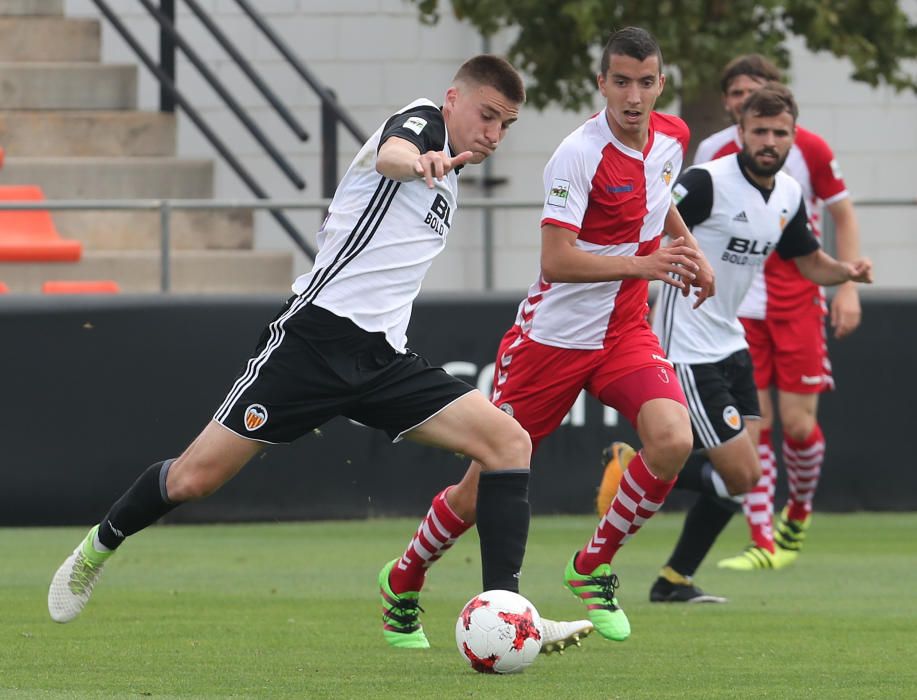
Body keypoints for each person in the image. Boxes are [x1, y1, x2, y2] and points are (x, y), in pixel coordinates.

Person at [47, 56, 542, 638]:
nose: (493, 134)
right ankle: (97, 548)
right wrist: (420, 160)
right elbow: (393, 154)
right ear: (453, 99)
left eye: (506, 125)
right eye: (487, 115)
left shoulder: (451, 179)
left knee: (509, 443)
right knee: (192, 481)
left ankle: (506, 618)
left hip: (382, 361)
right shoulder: (421, 125)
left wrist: (437, 168)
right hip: (311, 343)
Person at [377, 26, 716, 647]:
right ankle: (404, 576)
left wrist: (691, 251)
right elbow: (557, 261)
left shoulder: (673, 136)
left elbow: (660, 193)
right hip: (551, 342)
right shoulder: (576, 154)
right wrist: (643, 265)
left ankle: (591, 565)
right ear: (601, 84)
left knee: (672, 440)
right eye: (621, 82)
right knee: (482, 487)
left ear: (660, 84)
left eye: (645, 82)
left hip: (623, 331)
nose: (633, 96)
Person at [644, 84, 872, 601]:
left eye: (780, 132)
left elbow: (808, 260)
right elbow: (649, 228)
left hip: (731, 341)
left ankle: (674, 579)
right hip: (686, 347)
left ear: (794, 136)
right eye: (760, 131)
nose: (769, 141)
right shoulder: (705, 182)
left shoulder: (789, 193)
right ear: (740, 133)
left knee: (740, 476)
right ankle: (633, 469)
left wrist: (845, 272)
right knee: (743, 474)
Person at [694, 55, 864, 569]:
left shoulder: (806, 149)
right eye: (740, 94)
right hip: (736, 305)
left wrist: (849, 286)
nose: (749, 100)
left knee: (797, 424)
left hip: (796, 298)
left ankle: (799, 512)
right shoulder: (711, 156)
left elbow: (841, 215)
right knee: (755, 424)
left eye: (758, 90)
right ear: (731, 106)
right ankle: (762, 539)